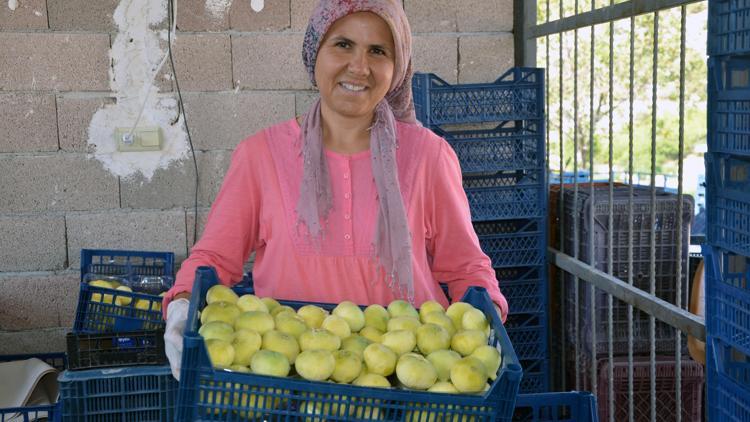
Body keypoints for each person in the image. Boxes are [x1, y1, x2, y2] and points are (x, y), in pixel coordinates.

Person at [163, 0, 508, 381]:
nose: (359, 66)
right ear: (315, 55)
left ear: (397, 68)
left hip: (411, 382)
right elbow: (214, 256)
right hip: (292, 380)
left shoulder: (428, 155)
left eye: (378, 51)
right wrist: (181, 304)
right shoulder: (260, 155)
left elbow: (466, 266)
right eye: (343, 45)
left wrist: (486, 311)